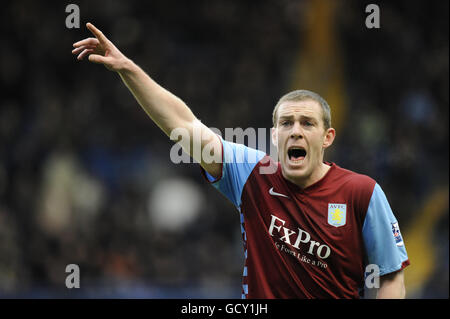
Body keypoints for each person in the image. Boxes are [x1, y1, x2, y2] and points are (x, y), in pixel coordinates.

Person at [72, 23, 410, 299]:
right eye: (286, 123)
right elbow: (185, 126)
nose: (295, 131)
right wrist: (129, 69)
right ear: (275, 136)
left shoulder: (361, 193)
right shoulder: (253, 174)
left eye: (307, 123)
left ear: (327, 137)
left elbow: (391, 277)